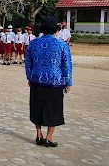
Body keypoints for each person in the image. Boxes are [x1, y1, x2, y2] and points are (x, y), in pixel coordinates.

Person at [25, 16, 73, 148]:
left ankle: (38, 134)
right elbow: (66, 65)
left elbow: (28, 63)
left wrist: (29, 77)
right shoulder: (62, 45)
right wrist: (68, 82)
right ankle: (49, 137)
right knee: (53, 109)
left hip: (36, 80)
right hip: (55, 81)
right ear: (56, 29)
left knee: (37, 107)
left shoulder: (33, 44)